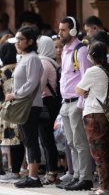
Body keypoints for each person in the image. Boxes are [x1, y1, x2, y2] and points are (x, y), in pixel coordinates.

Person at [57, 16, 94, 191]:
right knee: (71, 142)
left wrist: (81, 103)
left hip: (76, 102)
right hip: (65, 102)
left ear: (72, 30)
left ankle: (85, 177)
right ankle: (77, 174)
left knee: (80, 142)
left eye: (63, 29)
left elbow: (86, 78)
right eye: (60, 29)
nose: (60, 32)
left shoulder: (80, 50)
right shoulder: (65, 50)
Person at [76, 42, 109, 195]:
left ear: (91, 55)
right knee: (104, 151)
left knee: (98, 152)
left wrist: (86, 91)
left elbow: (79, 90)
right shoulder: (107, 70)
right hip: (103, 115)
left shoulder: (93, 70)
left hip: (94, 114)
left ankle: (104, 187)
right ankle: (107, 185)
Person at [7, 27, 44, 188]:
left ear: (30, 41)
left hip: (30, 105)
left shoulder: (33, 59)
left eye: (21, 39)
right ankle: (30, 174)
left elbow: (32, 82)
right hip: (24, 105)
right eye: (17, 39)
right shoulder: (24, 57)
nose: (18, 42)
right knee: (27, 140)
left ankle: (34, 176)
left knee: (31, 140)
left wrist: (15, 94)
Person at [37, 36, 61, 185]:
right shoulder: (50, 62)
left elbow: (39, 86)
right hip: (51, 102)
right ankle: (51, 171)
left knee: (47, 139)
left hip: (47, 103)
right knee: (47, 139)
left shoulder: (44, 63)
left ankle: (52, 172)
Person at [0, 43, 25, 184]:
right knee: (19, 139)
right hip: (21, 107)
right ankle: (17, 170)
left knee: (10, 139)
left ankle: (12, 172)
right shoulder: (20, 67)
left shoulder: (2, 72)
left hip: (6, 109)